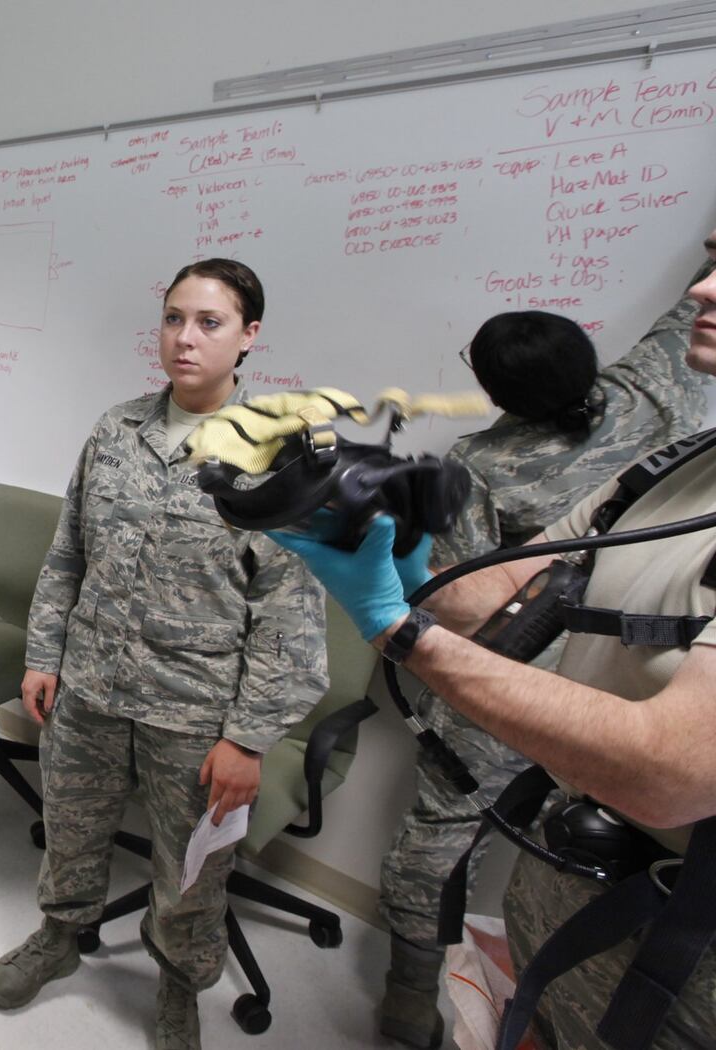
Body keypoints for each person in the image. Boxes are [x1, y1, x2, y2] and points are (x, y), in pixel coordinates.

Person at [273, 233, 716, 1050]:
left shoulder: (481, 464)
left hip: (510, 698)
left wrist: (397, 616)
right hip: (629, 689)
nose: (706, 295)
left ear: (490, 388)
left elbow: (460, 602)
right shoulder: (659, 391)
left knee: (437, 845)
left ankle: (411, 998)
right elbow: (680, 307)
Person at [0, 259, 328, 1049]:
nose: (185, 338)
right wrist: (44, 655)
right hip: (91, 691)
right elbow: (69, 552)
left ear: (249, 337)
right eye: (174, 318)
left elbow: (289, 617)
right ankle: (60, 937)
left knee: (193, 872)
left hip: (198, 713)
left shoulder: (280, 455)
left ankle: (179, 986)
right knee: (70, 828)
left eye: (209, 322)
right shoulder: (117, 428)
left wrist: (248, 739)